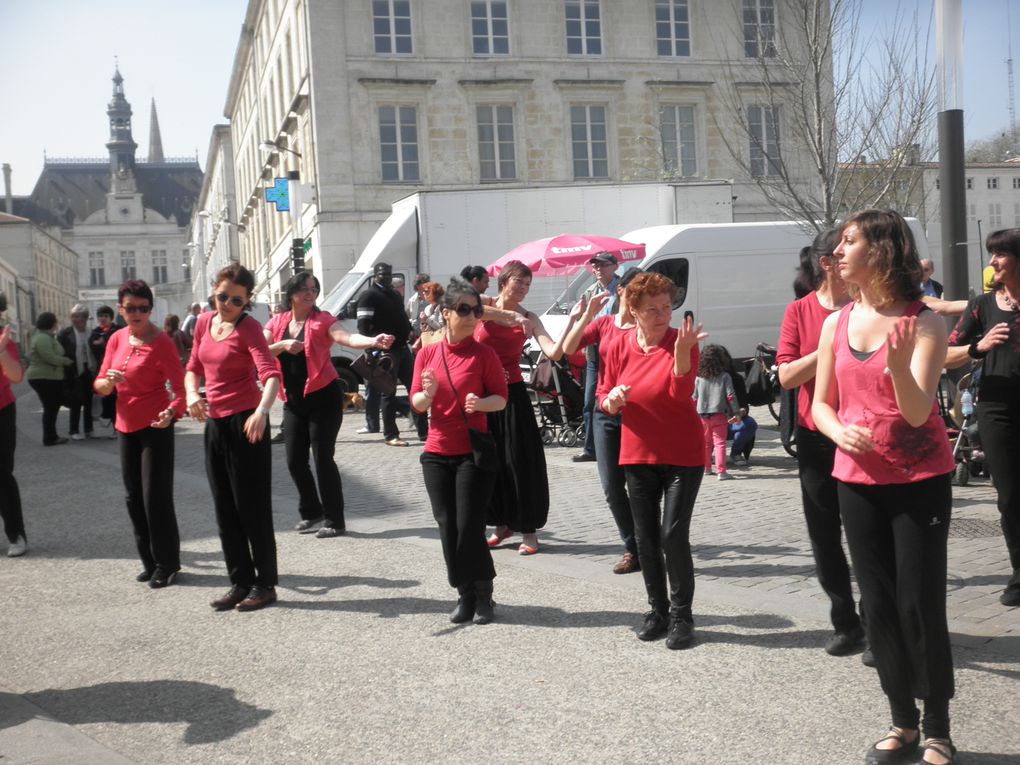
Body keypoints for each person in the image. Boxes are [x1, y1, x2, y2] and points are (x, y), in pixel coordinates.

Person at [812, 209, 957, 765]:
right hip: (858, 483)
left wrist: (897, 368)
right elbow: (821, 403)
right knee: (878, 606)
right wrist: (837, 432)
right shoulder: (835, 322)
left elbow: (920, 413)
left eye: (850, 241)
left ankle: (938, 728)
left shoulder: (924, 322)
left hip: (920, 483)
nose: (838, 250)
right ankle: (903, 721)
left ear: (882, 251)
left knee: (918, 603)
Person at [597, 272, 706, 650]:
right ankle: (657, 611)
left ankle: (682, 617)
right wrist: (610, 401)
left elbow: (679, 395)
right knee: (644, 540)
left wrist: (679, 357)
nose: (662, 315)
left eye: (666, 307)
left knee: (672, 535)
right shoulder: (618, 345)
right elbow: (603, 392)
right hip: (637, 452)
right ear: (633, 310)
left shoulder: (683, 342)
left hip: (683, 454)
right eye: (653, 309)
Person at [777, 228, 868, 659]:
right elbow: (787, 376)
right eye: (842, 251)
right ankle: (845, 622)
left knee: (867, 533)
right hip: (816, 437)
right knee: (825, 536)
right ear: (826, 262)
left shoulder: (868, 307)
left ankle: (877, 621)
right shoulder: (799, 311)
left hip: (862, 436)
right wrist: (828, 345)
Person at [265, 270, 393, 538]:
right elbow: (260, 349)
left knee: (323, 460)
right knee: (294, 461)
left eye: (313, 289)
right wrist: (283, 344)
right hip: (294, 401)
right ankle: (312, 511)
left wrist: (371, 340)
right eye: (304, 289)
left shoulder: (322, 320)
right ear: (292, 294)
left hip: (324, 397)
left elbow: (346, 338)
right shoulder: (277, 322)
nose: (310, 293)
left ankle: (335, 520)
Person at [410, 279, 508, 624]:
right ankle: (464, 593)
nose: (471, 316)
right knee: (448, 525)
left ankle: (483, 594)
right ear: (446, 313)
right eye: (464, 309)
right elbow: (417, 405)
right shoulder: (426, 353)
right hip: (437, 451)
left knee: (468, 525)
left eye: (476, 310)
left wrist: (481, 402)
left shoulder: (484, 354)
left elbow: (501, 398)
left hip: (472, 453)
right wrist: (429, 393)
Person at [186, 263, 282, 612]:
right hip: (215, 423)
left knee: (252, 507)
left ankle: (265, 583)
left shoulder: (250, 328)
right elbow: (193, 366)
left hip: (247, 422)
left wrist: (262, 411)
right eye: (222, 296)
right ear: (214, 290)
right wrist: (191, 395)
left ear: (247, 302)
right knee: (224, 506)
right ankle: (239, 581)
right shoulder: (202, 324)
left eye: (236, 300)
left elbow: (270, 374)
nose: (227, 304)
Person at [94, 280, 186, 588]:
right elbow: (100, 384)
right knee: (133, 497)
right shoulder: (117, 339)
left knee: (154, 497)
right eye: (130, 308)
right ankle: (150, 561)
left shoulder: (161, 343)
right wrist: (108, 383)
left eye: (143, 308)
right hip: (125, 425)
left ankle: (168, 563)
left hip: (156, 426)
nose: (136, 314)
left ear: (150, 309)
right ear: (120, 309)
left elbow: (181, 389)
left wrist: (171, 412)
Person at [945, 228, 1020, 608]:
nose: (992, 262)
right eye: (992, 254)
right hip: (997, 407)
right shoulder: (983, 306)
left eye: (1000, 254)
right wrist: (979, 346)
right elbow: (944, 355)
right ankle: (1019, 575)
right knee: (1009, 495)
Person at [558, 266, 642, 574]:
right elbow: (568, 350)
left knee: (639, 486)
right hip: (607, 414)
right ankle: (634, 546)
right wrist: (586, 315)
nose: (638, 298)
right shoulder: (605, 324)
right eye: (633, 291)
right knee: (611, 487)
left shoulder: (646, 328)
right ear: (620, 291)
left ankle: (645, 545)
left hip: (638, 416)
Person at [476, 260, 562, 555]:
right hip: (481, 395)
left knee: (519, 463)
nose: (524, 289)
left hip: (511, 394)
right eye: (519, 282)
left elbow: (552, 350)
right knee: (489, 461)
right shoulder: (484, 304)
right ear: (503, 282)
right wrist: (511, 316)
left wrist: (578, 320)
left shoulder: (531, 317)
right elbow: (470, 308)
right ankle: (500, 524)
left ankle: (528, 530)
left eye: (528, 284)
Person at [356, 262, 425, 445]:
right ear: (374, 275)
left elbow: (402, 317)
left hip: (403, 350)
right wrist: (370, 349)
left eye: (388, 274)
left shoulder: (394, 294)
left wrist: (409, 330)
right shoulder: (368, 296)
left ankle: (424, 432)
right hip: (385, 352)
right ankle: (391, 435)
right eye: (382, 274)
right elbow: (363, 327)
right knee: (388, 393)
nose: (386, 277)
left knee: (416, 389)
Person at [573, 252, 620, 463]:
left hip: (617, 353)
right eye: (595, 265)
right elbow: (583, 322)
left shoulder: (622, 290)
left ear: (614, 267)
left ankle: (617, 445)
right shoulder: (589, 292)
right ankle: (590, 449)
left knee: (616, 399)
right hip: (594, 354)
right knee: (590, 401)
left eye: (603, 265)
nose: (598, 269)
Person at [693, 343, 741, 480]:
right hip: (719, 414)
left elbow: (694, 397)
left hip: (702, 414)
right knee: (720, 443)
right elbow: (730, 395)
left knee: (706, 443)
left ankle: (706, 468)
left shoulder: (699, 377)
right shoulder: (725, 376)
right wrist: (736, 412)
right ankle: (721, 471)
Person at [0, 318, 27, 558]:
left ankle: (16, 534)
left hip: (1, 409)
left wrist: (1, 351)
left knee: (2, 473)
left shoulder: (4, 338)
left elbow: (17, 376)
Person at [25, 312, 73, 446]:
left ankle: (51, 436)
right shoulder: (42, 338)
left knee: (51, 406)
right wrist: (65, 361)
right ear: (51, 323)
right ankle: (50, 437)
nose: (56, 324)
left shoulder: (47, 336)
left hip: (48, 376)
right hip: (44, 377)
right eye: (55, 321)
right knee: (51, 407)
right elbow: (49, 357)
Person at [57, 304, 97, 440]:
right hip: (73, 371)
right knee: (76, 402)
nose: (74, 319)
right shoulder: (65, 334)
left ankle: (89, 429)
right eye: (72, 316)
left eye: (77, 316)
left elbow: (96, 352)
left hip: (89, 370)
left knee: (89, 401)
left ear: (85, 318)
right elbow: (60, 353)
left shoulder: (92, 332)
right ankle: (73, 430)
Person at [90, 305, 118, 429]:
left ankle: (115, 425)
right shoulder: (95, 332)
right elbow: (92, 346)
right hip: (102, 370)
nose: (103, 318)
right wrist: (97, 345)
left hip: (117, 369)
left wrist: (103, 343)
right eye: (100, 316)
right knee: (107, 396)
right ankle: (108, 418)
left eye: (106, 316)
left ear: (111, 318)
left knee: (115, 398)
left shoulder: (117, 330)